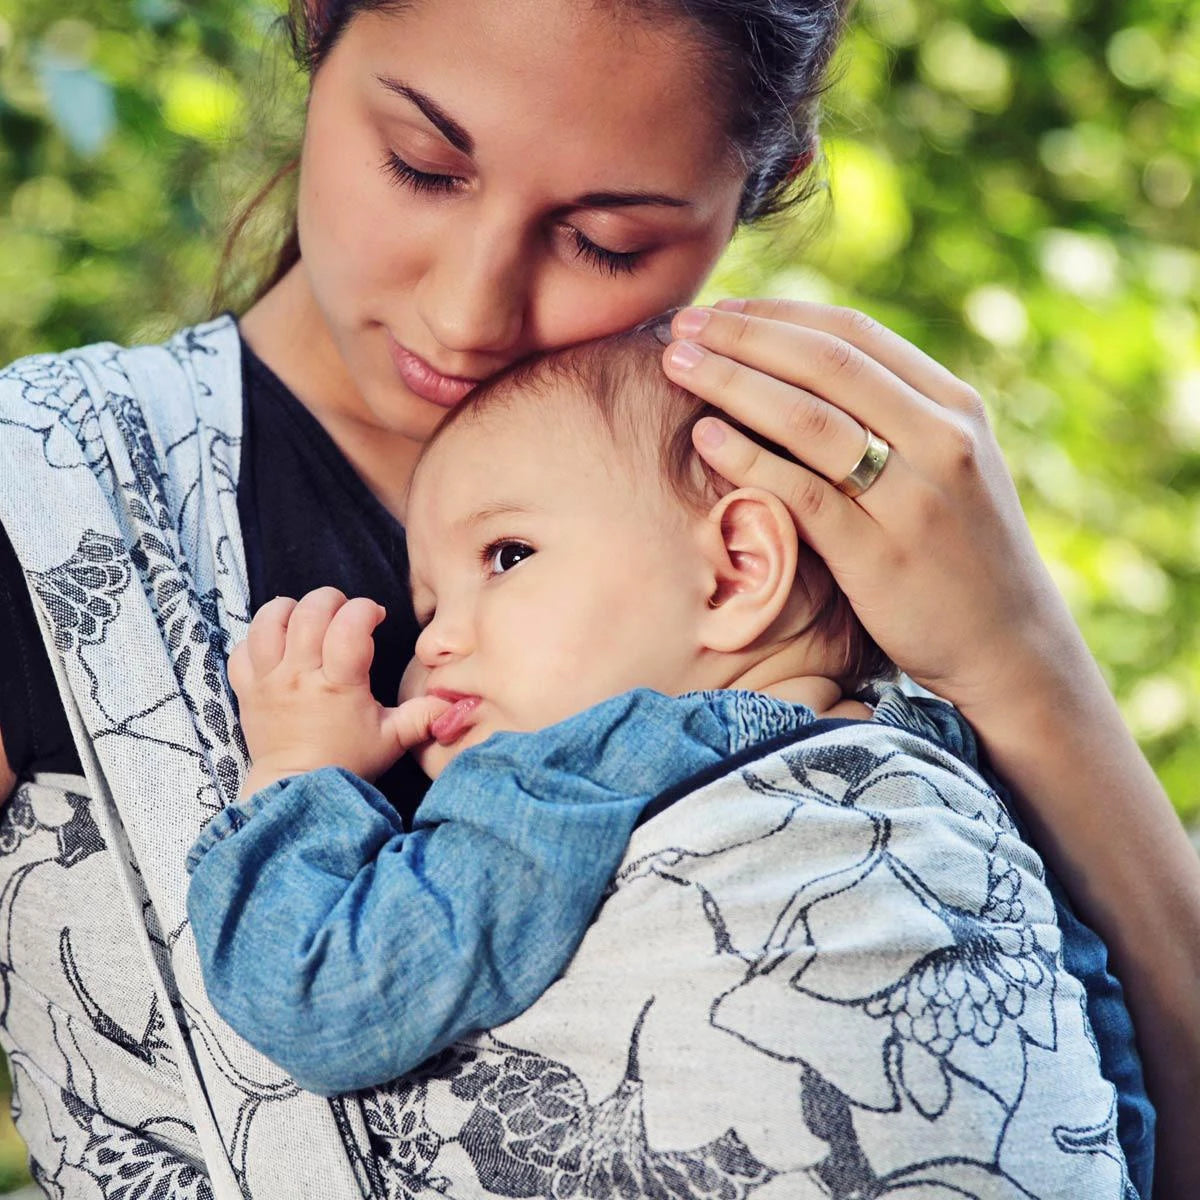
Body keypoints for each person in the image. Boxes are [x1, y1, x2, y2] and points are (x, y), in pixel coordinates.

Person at [0, 1, 1194, 1196]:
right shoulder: (48, 506)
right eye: (422, 167)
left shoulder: (840, 519)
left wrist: (1021, 663)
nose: (467, 312)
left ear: (762, 182)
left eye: (608, 240)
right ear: (319, 27)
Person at [181, 330, 1131, 1198]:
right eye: (427, 609)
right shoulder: (950, 764)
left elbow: (326, 993)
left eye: (506, 556)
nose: (436, 643)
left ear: (735, 570)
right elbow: (1097, 1067)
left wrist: (301, 770)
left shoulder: (575, 773)